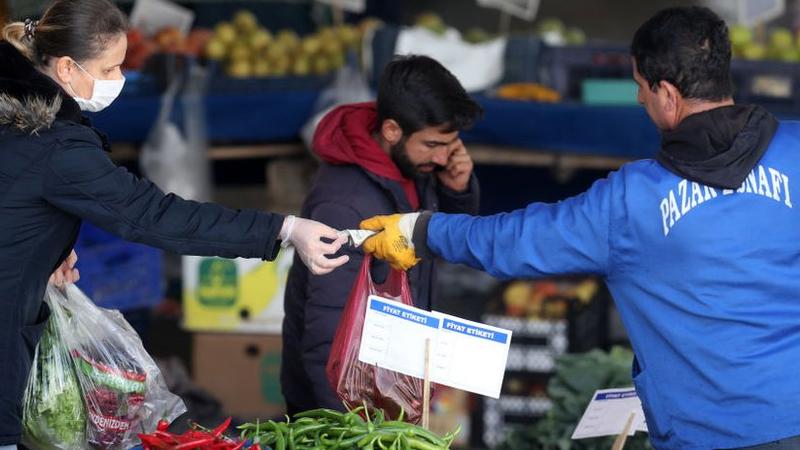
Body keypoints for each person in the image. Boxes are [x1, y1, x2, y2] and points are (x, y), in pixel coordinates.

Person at [360, 6, 800, 450]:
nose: (638, 99)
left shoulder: (631, 202)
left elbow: (518, 240)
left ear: (667, 92)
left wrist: (423, 232)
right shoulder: (795, 152)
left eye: (640, 87)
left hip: (711, 436)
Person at [0, 0, 349, 447]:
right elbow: (155, 217)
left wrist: (37, 252)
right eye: (109, 70)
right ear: (67, 68)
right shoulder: (55, 147)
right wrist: (283, 230)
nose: (119, 81)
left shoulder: (18, 122)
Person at [280, 55, 482, 414]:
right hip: (345, 411)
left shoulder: (412, 166)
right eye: (432, 145)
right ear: (391, 130)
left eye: (449, 146)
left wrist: (456, 191)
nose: (441, 158)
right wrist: (351, 433)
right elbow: (329, 335)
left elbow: (436, 245)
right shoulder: (344, 204)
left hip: (389, 392)